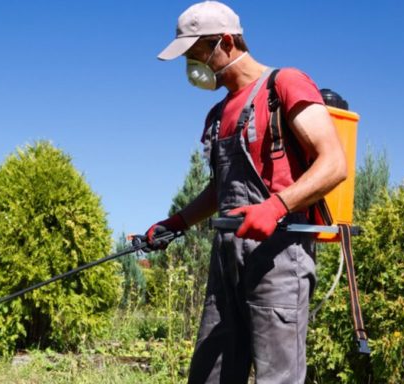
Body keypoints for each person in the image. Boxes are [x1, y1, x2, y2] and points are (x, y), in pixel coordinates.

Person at [144, 1, 348, 383]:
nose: (192, 65)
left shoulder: (283, 84)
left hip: (279, 256)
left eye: (195, 53)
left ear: (225, 42)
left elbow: (334, 163)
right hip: (226, 259)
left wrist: (276, 207)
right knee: (211, 375)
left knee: (277, 377)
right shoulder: (217, 114)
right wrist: (177, 222)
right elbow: (221, 187)